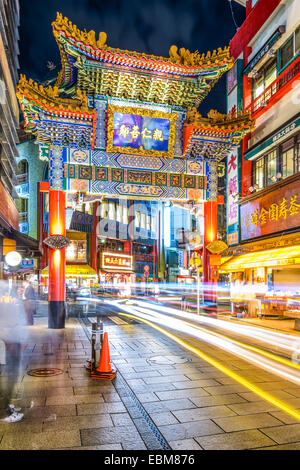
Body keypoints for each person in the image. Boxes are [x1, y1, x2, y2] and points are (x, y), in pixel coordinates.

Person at [0, 283, 29, 422]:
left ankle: (6, 405)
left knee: (11, 374)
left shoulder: (10, 301)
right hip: (7, 341)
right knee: (9, 374)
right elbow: (10, 322)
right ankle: (4, 411)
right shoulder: (6, 303)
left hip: (10, 340)